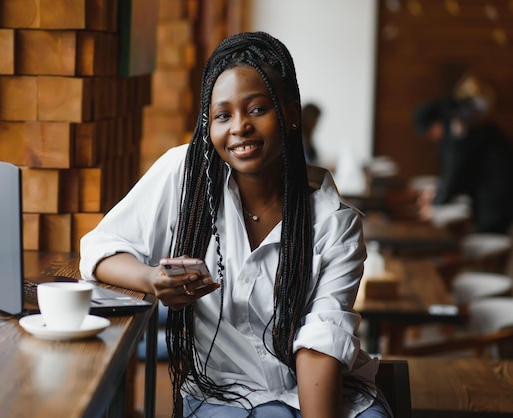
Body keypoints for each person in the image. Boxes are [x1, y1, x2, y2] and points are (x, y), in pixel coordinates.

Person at [80, 32, 390, 418]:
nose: (239, 126)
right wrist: (151, 280)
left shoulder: (333, 223)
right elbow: (100, 248)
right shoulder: (185, 175)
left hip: (321, 392)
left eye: (257, 109)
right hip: (223, 394)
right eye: (222, 115)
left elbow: (320, 347)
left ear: (291, 114)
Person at [413, 97, 513, 234]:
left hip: (496, 185)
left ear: (434, 124)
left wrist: (436, 202)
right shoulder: (455, 117)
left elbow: (456, 169)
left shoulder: (458, 124)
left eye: (430, 133)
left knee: (490, 229)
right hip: (492, 184)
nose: (433, 138)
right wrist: (439, 193)